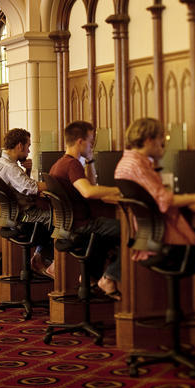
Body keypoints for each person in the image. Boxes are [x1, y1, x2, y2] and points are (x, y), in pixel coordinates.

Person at [113, 117, 195, 320]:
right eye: (162, 140)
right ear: (149, 140)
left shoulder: (126, 163)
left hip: (148, 241)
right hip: (165, 244)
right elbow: (165, 199)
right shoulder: (138, 166)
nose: (164, 145)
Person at [49, 121, 121, 298]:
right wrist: (120, 189)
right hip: (82, 225)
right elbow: (88, 191)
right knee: (131, 230)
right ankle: (109, 277)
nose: (92, 145)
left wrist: (90, 160)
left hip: (69, 226)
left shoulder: (59, 164)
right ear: (80, 141)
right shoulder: (71, 164)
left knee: (109, 234)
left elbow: (91, 184)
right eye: (91, 141)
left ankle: (90, 276)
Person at [0, 128, 55, 277]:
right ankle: (51, 264)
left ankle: (38, 259)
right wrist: (58, 184)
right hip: (25, 218)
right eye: (28, 146)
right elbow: (31, 188)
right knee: (58, 219)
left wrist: (28, 171)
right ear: (20, 146)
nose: (29, 151)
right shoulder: (10, 168)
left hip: (12, 219)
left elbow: (21, 186)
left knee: (51, 216)